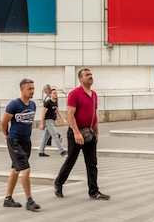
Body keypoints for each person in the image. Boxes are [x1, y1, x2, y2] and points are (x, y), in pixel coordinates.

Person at [54, 68, 110, 201]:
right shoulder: (75, 94)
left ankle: (94, 191)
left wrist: (96, 133)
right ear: (80, 79)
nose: (90, 76)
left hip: (89, 133)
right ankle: (58, 183)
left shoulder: (94, 95)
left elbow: (93, 115)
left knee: (92, 163)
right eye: (87, 75)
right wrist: (76, 133)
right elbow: (70, 115)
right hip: (76, 132)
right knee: (71, 160)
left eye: (91, 74)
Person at [0, 78, 40, 212]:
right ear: (22, 89)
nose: (32, 91)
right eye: (29, 89)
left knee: (16, 169)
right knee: (26, 169)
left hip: (26, 141)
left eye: (33, 89)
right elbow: (3, 123)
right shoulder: (14, 105)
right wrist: (7, 136)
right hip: (15, 141)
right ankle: (29, 200)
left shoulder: (33, 105)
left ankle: (8, 199)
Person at [38, 87, 67, 157]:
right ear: (50, 94)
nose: (56, 94)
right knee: (55, 135)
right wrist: (42, 124)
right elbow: (43, 113)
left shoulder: (55, 102)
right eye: (54, 93)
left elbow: (58, 111)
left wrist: (63, 119)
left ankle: (41, 151)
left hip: (52, 120)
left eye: (56, 93)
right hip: (48, 121)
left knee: (46, 137)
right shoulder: (48, 103)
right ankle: (62, 151)